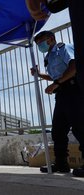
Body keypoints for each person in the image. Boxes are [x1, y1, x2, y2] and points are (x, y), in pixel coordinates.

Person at [30, 31, 84, 176]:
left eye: (41, 41)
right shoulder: (48, 57)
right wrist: (39, 74)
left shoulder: (63, 48)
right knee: (58, 131)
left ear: (51, 39)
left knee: (80, 127)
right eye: (38, 44)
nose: (40, 46)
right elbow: (55, 75)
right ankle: (61, 164)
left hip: (73, 90)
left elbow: (74, 67)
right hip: (61, 94)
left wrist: (56, 83)